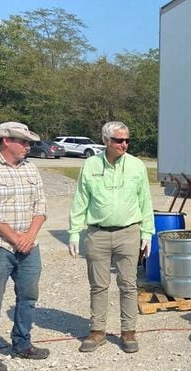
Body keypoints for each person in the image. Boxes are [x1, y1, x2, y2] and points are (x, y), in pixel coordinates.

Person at [68, 121, 154, 354]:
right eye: (118, 140)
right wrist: (74, 233)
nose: (124, 144)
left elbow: (145, 201)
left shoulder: (137, 166)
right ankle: (97, 332)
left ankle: (128, 332)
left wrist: (147, 233)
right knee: (98, 286)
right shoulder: (91, 165)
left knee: (128, 285)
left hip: (129, 233)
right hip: (98, 233)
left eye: (127, 140)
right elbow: (80, 200)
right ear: (106, 140)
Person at [0, 121, 49, 371]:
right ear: (6, 141)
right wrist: (17, 238)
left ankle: (22, 343)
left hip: (29, 245)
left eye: (28, 142)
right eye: (23, 141)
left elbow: (41, 206)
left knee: (28, 297)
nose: (28, 146)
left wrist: (29, 236)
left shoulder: (31, 169)